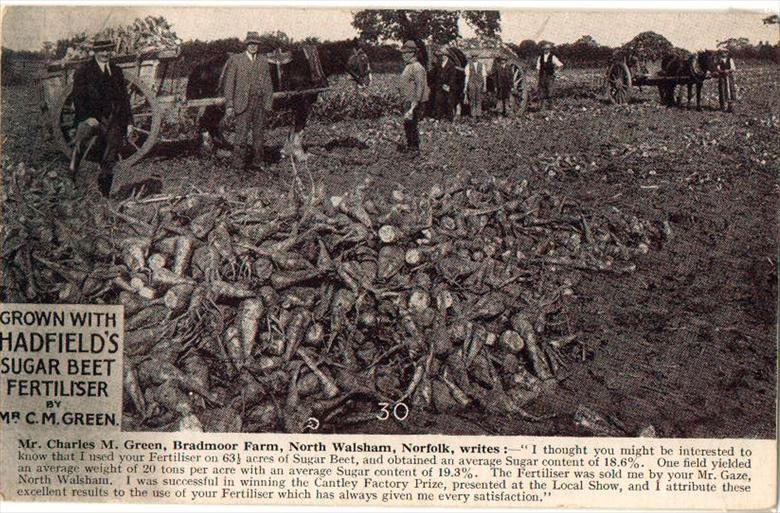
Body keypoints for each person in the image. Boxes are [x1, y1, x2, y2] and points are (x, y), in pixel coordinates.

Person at [70, 38, 133, 196]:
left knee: (110, 155)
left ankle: (104, 194)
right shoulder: (84, 71)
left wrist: (129, 122)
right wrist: (86, 117)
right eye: (102, 50)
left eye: (108, 50)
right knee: (80, 146)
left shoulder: (116, 70)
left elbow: (124, 99)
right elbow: (77, 97)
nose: (105, 53)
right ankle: (71, 180)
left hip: (114, 118)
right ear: (95, 52)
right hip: (91, 118)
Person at [222, 31, 274, 170]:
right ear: (246, 44)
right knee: (241, 135)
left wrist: (268, 104)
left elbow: (268, 84)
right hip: (242, 103)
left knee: (259, 135)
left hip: (259, 103)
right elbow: (229, 85)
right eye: (251, 43)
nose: (253, 46)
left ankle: (258, 162)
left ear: (258, 45)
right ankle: (238, 165)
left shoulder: (263, 60)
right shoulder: (236, 60)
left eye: (256, 44)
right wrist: (229, 105)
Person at [398, 40, 429, 154]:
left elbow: (420, 87)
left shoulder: (417, 67)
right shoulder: (409, 66)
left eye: (407, 53)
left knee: (412, 126)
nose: (404, 55)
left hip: (413, 102)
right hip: (407, 101)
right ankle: (411, 147)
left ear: (413, 54)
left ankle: (414, 149)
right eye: (403, 53)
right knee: (408, 125)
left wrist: (413, 106)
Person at [535, 42, 564, 111]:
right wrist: (537, 75)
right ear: (543, 50)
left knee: (550, 91)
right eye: (545, 49)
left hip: (549, 76)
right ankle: (542, 108)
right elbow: (537, 67)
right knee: (541, 91)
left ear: (549, 50)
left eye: (547, 49)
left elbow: (561, 65)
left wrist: (556, 72)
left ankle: (551, 107)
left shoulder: (553, 57)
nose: (546, 50)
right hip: (542, 76)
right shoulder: (540, 57)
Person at [435, 47, 457, 121]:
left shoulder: (451, 64)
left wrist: (448, 85)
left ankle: (450, 119)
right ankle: (438, 118)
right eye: (441, 55)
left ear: (447, 56)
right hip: (440, 85)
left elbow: (453, 76)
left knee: (449, 102)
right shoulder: (439, 63)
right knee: (439, 101)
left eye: (444, 55)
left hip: (448, 86)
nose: (443, 57)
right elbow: (437, 74)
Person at [463, 50, 487, 118]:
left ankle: (478, 114)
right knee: (472, 98)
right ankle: (473, 114)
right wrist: (465, 87)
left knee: (479, 98)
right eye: (473, 57)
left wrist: (485, 86)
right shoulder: (468, 65)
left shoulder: (482, 65)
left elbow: (484, 76)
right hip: (471, 83)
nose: (474, 58)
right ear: (471, 58)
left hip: (479, 83)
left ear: (477, 57)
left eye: (475, 57)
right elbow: (467, 77)